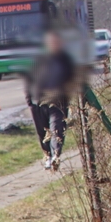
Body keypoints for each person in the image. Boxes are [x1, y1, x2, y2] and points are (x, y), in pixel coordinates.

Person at [26, 30, 77, 171]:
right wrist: (30, 102)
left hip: (57, 103)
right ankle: (47, 156)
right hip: (38, 103)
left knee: (56, 129)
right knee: (43, 133)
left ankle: (55, 155)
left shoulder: (65, 61)